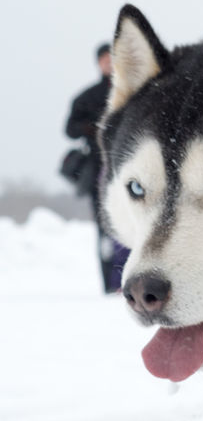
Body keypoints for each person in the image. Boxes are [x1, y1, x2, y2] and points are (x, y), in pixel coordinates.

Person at [64, 43, 125, 292]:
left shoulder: (132, 89)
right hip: (99, 169)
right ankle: (110, 283)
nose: (109, 63)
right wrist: (90, 128)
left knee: (131, 223)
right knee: (105, 227)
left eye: (112, 58)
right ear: (99, 63)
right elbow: (69, 129)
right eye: (104, 59)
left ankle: (129, 279)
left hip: (126, 165)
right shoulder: (87, 97)